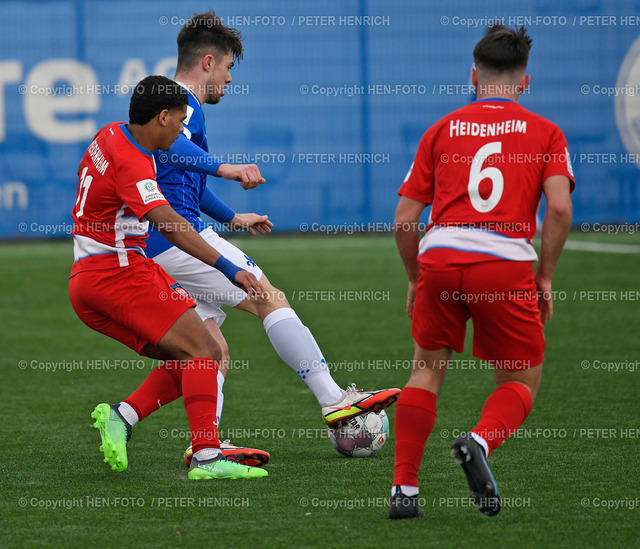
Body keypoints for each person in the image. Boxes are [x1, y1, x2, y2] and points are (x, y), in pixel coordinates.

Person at [143, 9, 400, 466]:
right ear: (207, 62)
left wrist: (234, 216)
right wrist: (226, 167)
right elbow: (181, 154)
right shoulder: (181, 100)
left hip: (163, 242)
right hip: (178, 239)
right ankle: (332, 398)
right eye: (227, 68)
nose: (227, 79)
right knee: (268, 296)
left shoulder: (177, 104)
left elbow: (186, 181)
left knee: (210, 350)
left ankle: (205, 448)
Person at [388, 27, 574, 518]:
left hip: (442, 259)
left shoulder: (441, 129)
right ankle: (479, 440)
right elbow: (559, 209)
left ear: (474, 77)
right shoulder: (546, 132)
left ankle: (404, 491)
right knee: (520, 381)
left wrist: (414, 276)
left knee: (425, 371)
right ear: (524, 83)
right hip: (504, 263)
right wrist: (546, 276)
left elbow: (405, 219)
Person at [70, 74, 269, 481]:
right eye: (180, 122)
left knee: (196, 355)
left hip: (86, 280)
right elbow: (171, 225)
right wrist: (230, 268)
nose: (183, 132)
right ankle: (207, 457)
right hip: (120, 272)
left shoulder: (109, 135)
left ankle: (121, 418)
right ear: (162, 117)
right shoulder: (134, 161)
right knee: (206, 350)